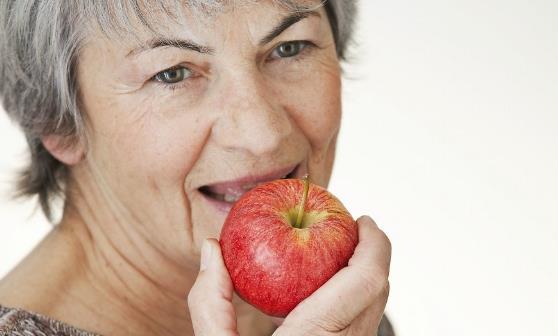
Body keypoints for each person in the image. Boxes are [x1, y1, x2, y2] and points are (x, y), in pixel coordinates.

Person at [0, 0, 394, 335]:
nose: (263, 135)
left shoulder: (333, 312)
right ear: (57, 121)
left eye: (290, 48)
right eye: (172, 74)